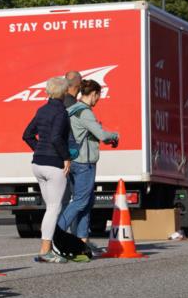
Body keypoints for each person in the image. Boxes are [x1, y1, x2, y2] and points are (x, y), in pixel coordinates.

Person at [57, 79, 119, 253]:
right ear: (93, 94)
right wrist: (115, 135)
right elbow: (102, 135)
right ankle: (56, 233)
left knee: (86, 201)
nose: (98, 100)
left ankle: (82, 241)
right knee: (80, 201)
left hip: (73, 159)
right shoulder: (85, 112)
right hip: (84, 162)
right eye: (98, 96)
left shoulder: (71, 110)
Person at [23, 76, 72, 263]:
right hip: (53, 165)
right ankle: (45, 251)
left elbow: (27, 135)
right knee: (54, 207)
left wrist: (40, 150)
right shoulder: (61, 112)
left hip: (37, 164)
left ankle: (47, 248)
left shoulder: (41, 109)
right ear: (64, 92)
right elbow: (56, 138)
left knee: (50, 208)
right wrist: (66, 157)